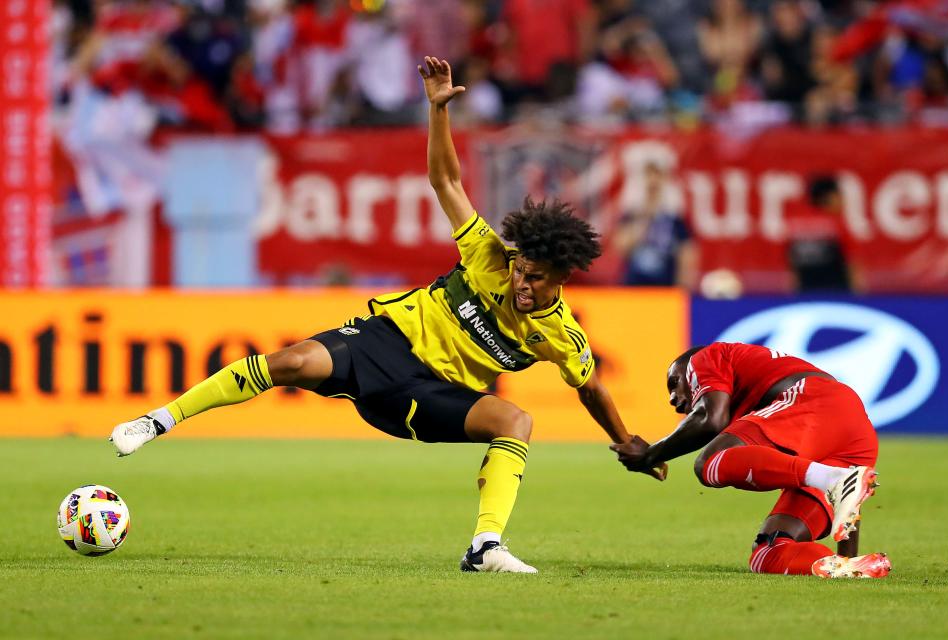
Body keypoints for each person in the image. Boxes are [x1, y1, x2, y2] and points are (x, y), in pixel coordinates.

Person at [109, 56, 665, 574]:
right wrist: (438, 108)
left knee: (515, 421)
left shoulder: (561, 334)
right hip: (385, 340)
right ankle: (157, 421)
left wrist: (626, 441)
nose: (522, 281)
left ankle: (485, 547)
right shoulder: (488, 256)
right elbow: (447, 181)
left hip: (427, 396)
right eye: (521, 270)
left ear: (562, 280)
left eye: (536, 278)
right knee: (292, 361)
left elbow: (590, 387)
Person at [611, 342, 891, 579]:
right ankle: (846, 567)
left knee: (711, 462)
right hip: (855, 433)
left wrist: (650, 455)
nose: (673, 398)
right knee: (769, 554)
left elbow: (711, 419)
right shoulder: (760, 403)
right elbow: (852, 494)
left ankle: (831, 479)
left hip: (815, 399)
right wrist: (849, 558)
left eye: (674, 383)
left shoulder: (706, 356)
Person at [612, 162, 697, 288]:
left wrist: (682, 284)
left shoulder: (674, 219)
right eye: (649, 186)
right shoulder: (631, 216)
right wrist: (643, 220)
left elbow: (687, 252)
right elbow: (621, 247)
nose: (652, 188)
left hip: (665, 287)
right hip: (634, 287)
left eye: (655, 187)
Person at [785, 174, 857, 292]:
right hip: (837, 292)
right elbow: (852, 262)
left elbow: (791, 265)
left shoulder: (795, 224)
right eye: (839, 195)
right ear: (828, 197)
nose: (843, 200)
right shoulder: (836, 222)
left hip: (805, 293)